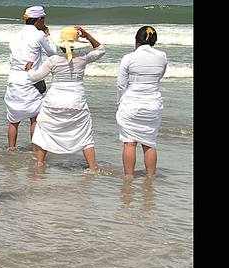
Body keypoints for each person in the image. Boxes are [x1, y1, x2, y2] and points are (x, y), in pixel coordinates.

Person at [26, 26, 105, 170]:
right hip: (76, 102)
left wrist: (29, 69)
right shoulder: (83, 57)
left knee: (44, 131)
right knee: (85, 136)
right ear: (76, 44)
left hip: (54, 102)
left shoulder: (53, 60)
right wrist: (87, 35)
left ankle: (39, 164)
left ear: (61, 44)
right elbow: (101, 50)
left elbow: (34, 78)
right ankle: (93, 168)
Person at [117, 26, 168, 179]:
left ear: (136, 41)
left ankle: (129, 177)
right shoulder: (162, 56)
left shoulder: (129, 57)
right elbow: (160, 75)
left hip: (132, 103)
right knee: (149, 143)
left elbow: (121, 84)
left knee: (129, 142)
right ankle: (150, 177)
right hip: (153, 103)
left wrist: (121, 101)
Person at [4, 5, 58, 150]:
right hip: (31, 78)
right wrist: (47, 35)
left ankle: (11, 149)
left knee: (13, 120)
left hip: (14, 78)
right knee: (35, 118)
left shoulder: (16, 35)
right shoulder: (39, 35)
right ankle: (35, 151)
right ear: (39, 20)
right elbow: (53, 52)